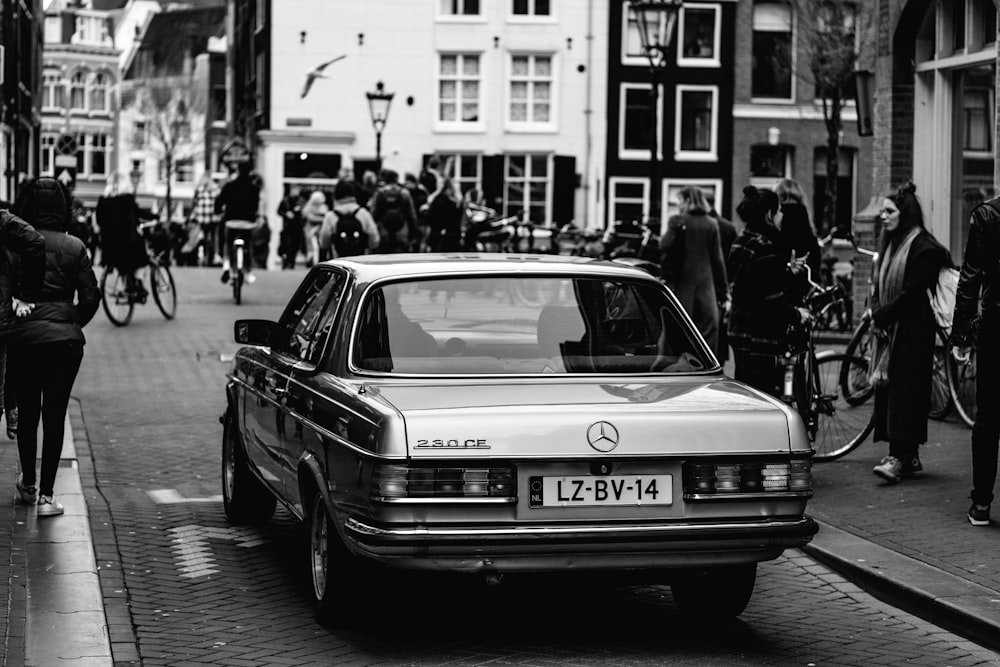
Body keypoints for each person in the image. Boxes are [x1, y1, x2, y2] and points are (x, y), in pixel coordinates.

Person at [10, 177, 98, 517]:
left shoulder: (15, 245)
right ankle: (48, 496)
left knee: (29, 412)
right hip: (64, 342)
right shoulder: (75, 247)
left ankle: (28, 484)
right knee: (55, 413)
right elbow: (91, 296)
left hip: (25, 337)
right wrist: (71, 320)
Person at [869, 183, 952, 484]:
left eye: (889, 211)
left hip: (912, 332)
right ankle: (910, 455)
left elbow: (913, 294)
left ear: (904, 214)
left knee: (904, 393)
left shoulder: (923, 248)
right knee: (898, 392)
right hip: (893, 329)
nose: (883, 216)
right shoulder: (891, 244)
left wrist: (882, 313)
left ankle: (897, 457)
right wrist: (878, 308)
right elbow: (878, 283)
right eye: (882, 211)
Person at [727, 186, 810, 397]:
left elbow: (751, 283)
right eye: (779, 211)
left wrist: (787, 272)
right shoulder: (766, 247)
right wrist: (798, 315)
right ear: (769, 215)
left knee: (745, 393)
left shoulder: (741, 241)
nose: (783, 216)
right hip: (759, 336)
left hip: (739, 330)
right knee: (762, 397)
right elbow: (771, 298)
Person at [951, 191, 1000, 525]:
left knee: (989, 417)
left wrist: (961, 335)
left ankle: (981, 503)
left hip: (997, 325)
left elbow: (970, 276)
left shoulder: (988, 215)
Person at [659, 186, 729, 352]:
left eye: (680, 201)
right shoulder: (711, 224)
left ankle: (679, 364)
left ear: (688, 200)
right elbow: (717, 260)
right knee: (708, 328)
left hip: (682, 283)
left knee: (679, 327)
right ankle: (705, 365)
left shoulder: (678, 220)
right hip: (706, 285)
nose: (679, 205)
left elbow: (664, 244)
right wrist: (723, 290)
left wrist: (673, 228)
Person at [0, 195, 44, 444]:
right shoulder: (6, 223)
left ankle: (11, 407)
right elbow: (34, 242)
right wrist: (26, 295)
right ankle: (12, 409)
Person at [774, 178, 821, 302]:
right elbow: (814, 251)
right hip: (803, 275)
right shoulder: (804, 216)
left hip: (781, 275)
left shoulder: (778, 216)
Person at [215, 161, 263, 284]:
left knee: (228, 243)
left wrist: (218, 212)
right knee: (248, 245)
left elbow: (219, 201)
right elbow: (256, 205)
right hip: (248, 222)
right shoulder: (254, 189)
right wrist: (257, 217)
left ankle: (226, 265)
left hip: (231, 220)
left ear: (238, 171)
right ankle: (248, 272)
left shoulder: (229, 186)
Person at [707, 192, 737, 362]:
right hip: (723, 284)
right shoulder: (728, 227)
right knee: (720, 327)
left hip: (705, 283)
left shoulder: (700, 227)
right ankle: (719, 358)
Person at [318, 179, 380, 258]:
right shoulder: (363, 213)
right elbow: (374, 238)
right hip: (360, 259)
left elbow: (324, 242)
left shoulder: (331, 216)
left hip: (339, 260)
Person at [370, 169, 418, 253]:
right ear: (396, 179)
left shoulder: (380, 193)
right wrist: (412, 236)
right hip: (401, 232)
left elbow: (373, 214)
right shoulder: (404, 193)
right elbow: (412, 216)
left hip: (384, 232)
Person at [189, 172, 221, 266]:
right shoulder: (215, 188)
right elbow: (218, 201)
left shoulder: (198, 189)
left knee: (199, 237)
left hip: (200, 217)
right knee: (213, 237)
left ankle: (197, 256)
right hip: (212, 217)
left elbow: (194, 202)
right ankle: (213, 255)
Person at [426, 177, 463, 252]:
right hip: (453, 236)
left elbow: (431, 219)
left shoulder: (438, 201)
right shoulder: (456, 202)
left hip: (439, 236)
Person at [277, 185, 306, 269]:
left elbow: (305, 212)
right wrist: (286, 214)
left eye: (297, 190)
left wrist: (300, 211)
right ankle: (286, 261)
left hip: (298, 227)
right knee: (287, 245)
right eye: (294, 190)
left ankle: (292, 262)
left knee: (295, 245)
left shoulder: (301, 201)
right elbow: (279, 211)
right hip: (287, 227)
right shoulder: (285, 200)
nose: (296, 192)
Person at [300, 190, 328, 267]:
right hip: (311, 230)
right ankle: (312, 261)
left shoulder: (323, 206)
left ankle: (317, 261)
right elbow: (310, 218)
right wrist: (321, 218)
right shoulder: (309, 207)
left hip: (320, 230)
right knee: (312, 247)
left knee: (320, 246)